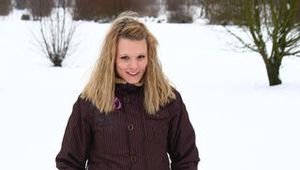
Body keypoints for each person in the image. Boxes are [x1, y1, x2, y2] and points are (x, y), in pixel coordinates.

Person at [56, 11, 200, 170]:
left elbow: (186, 159)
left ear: (149, 56)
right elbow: (69, 162)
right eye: (125, 58)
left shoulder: (168, 99)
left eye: (140, 57)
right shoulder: (90, 102)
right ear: (111, 58)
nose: (134, 66)